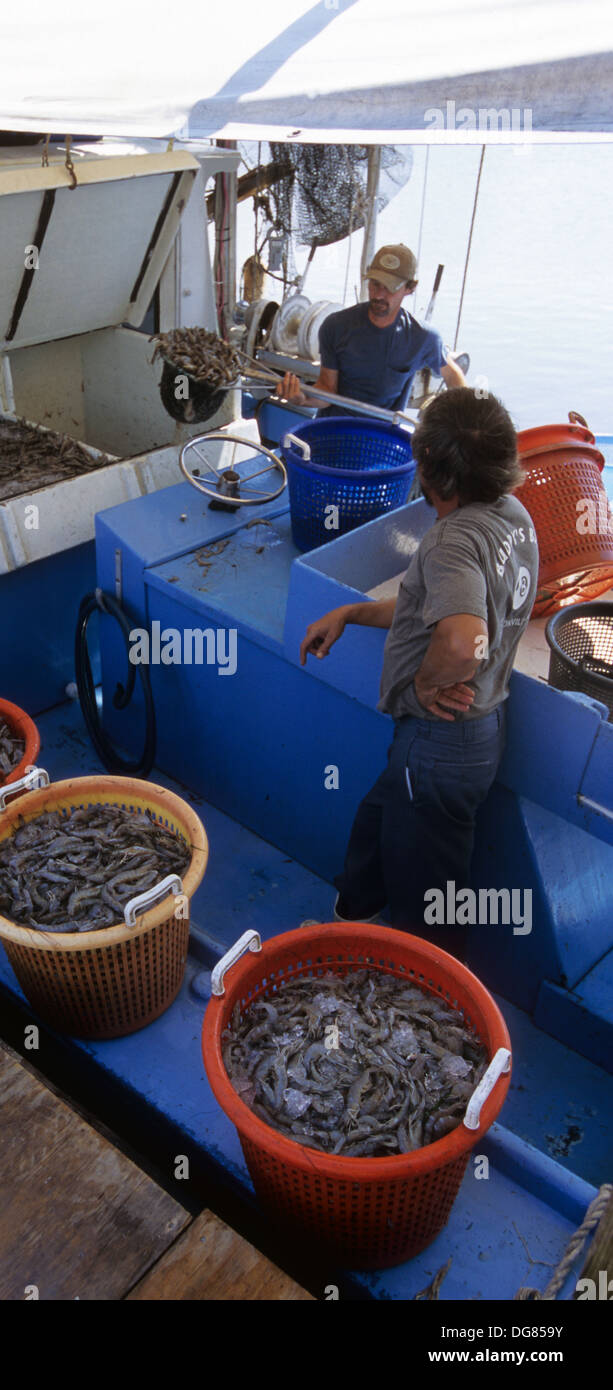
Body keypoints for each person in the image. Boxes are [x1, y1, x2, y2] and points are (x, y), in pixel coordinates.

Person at [299, 388, 538, 959]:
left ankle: (412, 996)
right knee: (374, 834)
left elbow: (461, 639)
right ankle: (351, 924)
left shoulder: (452, 541)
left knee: (429, 903)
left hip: (440, 742)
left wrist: (426, 683)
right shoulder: (513, 516)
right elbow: (438, 608)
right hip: (456, 740)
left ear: (436, 471)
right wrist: (352, 612)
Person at [279, 244, 466, 414]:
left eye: (390, 287)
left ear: (410, 288)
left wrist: (469, 413)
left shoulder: (424, 338)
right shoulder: (335, 326)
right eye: (375, 284)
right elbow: (327, 388)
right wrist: (301, 399)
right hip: (332, 427)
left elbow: (451, 373)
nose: (379, 295)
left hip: (382, 434)